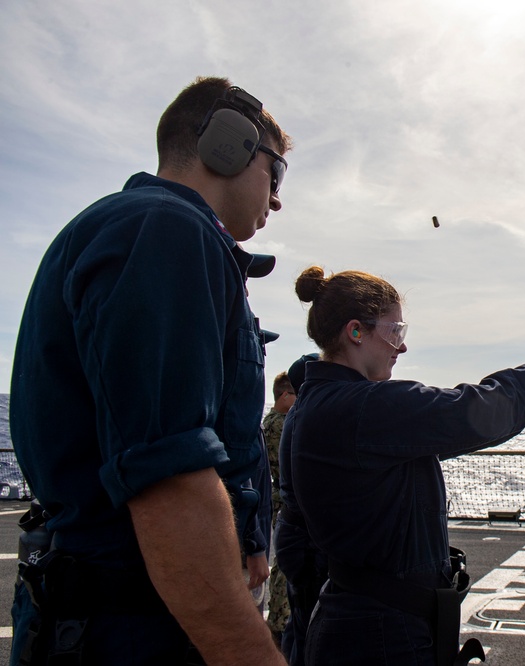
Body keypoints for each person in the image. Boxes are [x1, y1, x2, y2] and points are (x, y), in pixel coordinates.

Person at [9, 76, 291, 665]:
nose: (277, 198)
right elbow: (170, 480)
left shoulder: (168, 236)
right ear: (229, 145)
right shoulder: (164, 230)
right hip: (133, 630)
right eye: (276, 172)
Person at [285, 267, 525, 665]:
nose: (401, 346)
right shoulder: (361, 408)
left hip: (368, 622)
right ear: (356, 331)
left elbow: (470, 427)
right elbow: (470, 411)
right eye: (395, 331)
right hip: (382, 634)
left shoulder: (324, 404)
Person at [275, 353, 326, 666]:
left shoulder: (298, 416)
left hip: (294, 536)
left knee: (299, 624)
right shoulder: (310, 418)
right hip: (306, 542)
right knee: (310, 628)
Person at [263, 372, 296, 640]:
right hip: (284, 498)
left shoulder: (277, 422)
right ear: (284, 395)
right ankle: (280, 618)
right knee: (286, 564)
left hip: (281, 496)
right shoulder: (278, 424)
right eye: (295, 395)